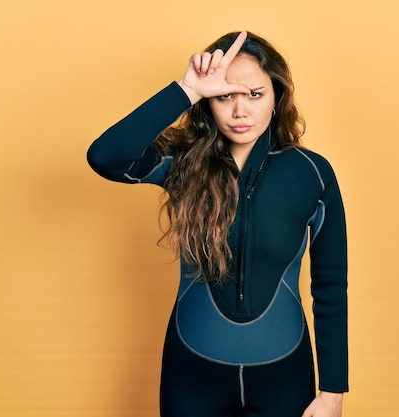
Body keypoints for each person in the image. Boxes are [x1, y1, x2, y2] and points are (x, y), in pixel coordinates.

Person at [87, 31, 348, 417]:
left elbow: (329, 286)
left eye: (255, 95)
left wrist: (333, 392)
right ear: (208, 101)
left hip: (283, 377)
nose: (240, 112)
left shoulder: (311, 173)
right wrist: (186, 89)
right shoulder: (182, 162)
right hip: (192, 377)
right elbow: (106, 157)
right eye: (225, 96)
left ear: (277, 98)